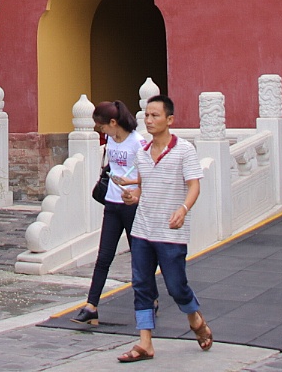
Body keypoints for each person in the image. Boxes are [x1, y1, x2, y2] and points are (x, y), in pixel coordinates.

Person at [116, 94, 212, 363]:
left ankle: (195, 319)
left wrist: (183, 209)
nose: (149, 120)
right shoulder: (142, 153)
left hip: (170, 232)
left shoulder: (184, 150)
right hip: (142, 229)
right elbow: (143, 188)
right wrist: (133, 196)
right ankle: (145, 342)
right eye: (146, 115)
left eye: (155, 115)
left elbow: (194, 185)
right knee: (141, 285)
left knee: (176, 286)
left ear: (170, 119)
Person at [71, 100, 144, 326]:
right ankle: (91, 306)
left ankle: (148, 299)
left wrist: (134, 188)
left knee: (138, 256)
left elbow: (148, 172)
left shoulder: (138, 142)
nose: (101, 130)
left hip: (131, 204)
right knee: (104, 256)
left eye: (102, 126)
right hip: (112, 203)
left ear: (113, 122)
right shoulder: (111, 139)